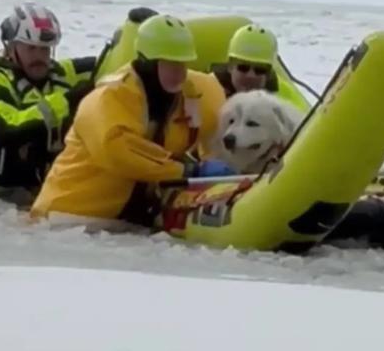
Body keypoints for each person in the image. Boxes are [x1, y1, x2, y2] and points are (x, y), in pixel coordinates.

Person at [31, 14, 235, 228]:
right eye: (171, 64)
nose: (180, 73)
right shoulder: (109, 98)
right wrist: (189, 170)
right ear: (148, 63)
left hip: (126, 220)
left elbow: (218, 128)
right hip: (66, 218)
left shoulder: (197, 92)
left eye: (183, 63)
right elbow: (119, 151)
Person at [0, 2, 96, 203]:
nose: (39, 56)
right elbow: (4, 131)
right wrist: (67, 102)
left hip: (33, 192)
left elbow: (107, 63)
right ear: (11, 47)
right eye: (31, 48)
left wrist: (133, 30)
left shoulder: (59, 74)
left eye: (45, 49)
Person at [212, 24, 308, 112]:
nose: (251, 75)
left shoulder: (285, 95)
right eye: (243, 67)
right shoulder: (209, 90)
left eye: (260, 70)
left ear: (269, 73)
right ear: (230, 67)